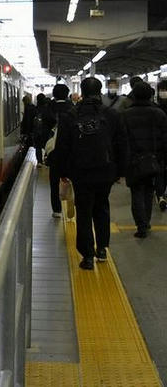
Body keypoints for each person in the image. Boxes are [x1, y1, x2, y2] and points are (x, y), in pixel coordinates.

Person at [54, 77, 128, 270]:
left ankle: (87, 256)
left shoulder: (70, 115)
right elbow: (121, 145)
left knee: (84, 212)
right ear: (100, 90)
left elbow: (62, 147)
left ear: (82, 92)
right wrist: (121, 171)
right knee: (102, 207)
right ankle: (102, 249)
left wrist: (63, 172)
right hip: (106, 171)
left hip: (81, 173)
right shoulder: (112, 115)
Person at [122, 82, 167, 238]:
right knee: (149, 191)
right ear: (151, 95)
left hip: (133, 160)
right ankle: (146, 222)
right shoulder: (160, 114)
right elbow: (164, 139)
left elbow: (122, 141)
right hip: (154, 159)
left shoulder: (126, 115)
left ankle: (141, 225)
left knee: (136, 192)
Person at [44, 84, 74, 217]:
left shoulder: (48, 108)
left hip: (54, 151)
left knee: (54, 181)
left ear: (54, 95)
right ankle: (72, 204)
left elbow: (45, 128)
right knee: (72, 178)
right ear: (67, 94)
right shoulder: (73, 109)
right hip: (70, 151)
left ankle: (56, 210)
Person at [156, 79, 167, 210]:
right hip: (159, 145)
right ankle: (161, 195)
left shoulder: (156, 109)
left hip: (158, 145)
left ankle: (160, 195)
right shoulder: (156, 109)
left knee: (160, 171)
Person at [32, 93, 52, 166]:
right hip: (46, 131)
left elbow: (31, 121)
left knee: (38, 147)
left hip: (36, 132)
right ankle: (46, 158)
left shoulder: (35, 109)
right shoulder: (47, 109)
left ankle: (39, 162)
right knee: (46, 145)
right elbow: (51, 120)